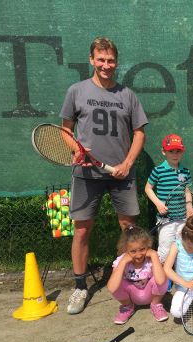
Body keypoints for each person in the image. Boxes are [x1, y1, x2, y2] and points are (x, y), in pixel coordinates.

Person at [60, 37, 147, 314]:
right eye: (101, 60)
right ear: (91, 60)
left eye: (110, 60)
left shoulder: (128, 95)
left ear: (116, 62)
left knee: (129, 231)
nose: (106, 65)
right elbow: (65, 130)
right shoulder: (76, 91)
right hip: (85, 174)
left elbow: (139, 132)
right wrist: (76, 150)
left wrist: (127, 163)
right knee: (82, 230)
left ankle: (133, 281)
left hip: (121, 174)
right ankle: (80, 287)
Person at [145, 134, 193, 263]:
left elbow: (187, 191)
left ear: (182, 152)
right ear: (164, 152)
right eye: (171, 151)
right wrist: (158, 204)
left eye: (178, 151)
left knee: (182, 250)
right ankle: (163, 281)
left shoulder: (186, 171)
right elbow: (148, 188)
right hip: (165, 220)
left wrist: (189, 208)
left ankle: (179, 279)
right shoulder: (158, 170)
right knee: (165, 251)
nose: (175, 154)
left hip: (182, 219)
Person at [106, 226, 168, 324]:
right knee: (117, 281)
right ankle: (127, 307)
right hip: (131, 296)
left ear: (148, 246)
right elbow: (112, 288)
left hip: (150, 294)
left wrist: (154, 256)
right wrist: (123, 263)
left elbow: (161, 281)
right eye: (133, 251)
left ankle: (156, 305)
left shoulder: (152, 258)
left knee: (163, 276)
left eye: (142, 249)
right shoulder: (121, 261)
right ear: (125, 249)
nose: (139, 255)